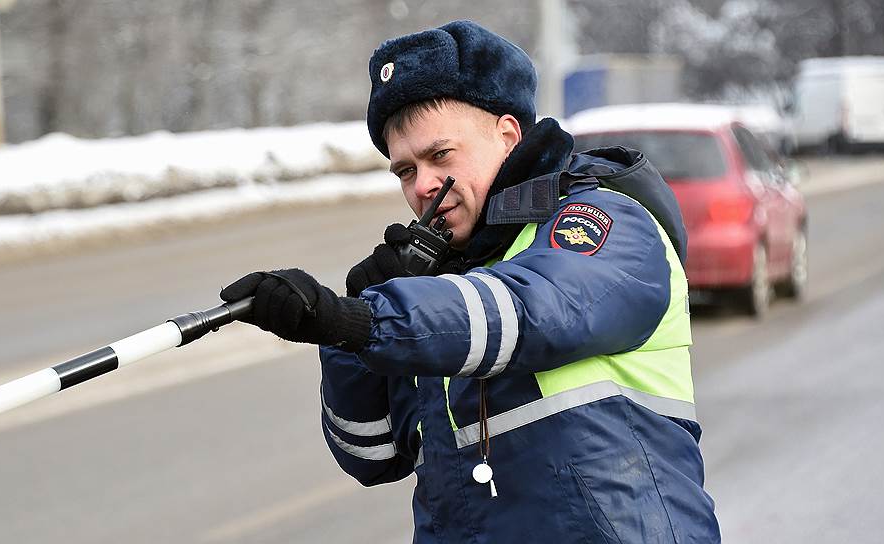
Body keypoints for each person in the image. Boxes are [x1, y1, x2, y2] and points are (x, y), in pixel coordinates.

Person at [220, 20, 720, 543]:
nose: (423, 186)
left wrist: (366, 318)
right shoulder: (440, 277)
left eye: (440, 156)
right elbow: (368, 453)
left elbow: (533, 311)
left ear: (507, 135)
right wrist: (344, 335)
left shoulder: (602, 220)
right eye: (405, 171)